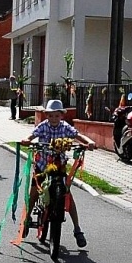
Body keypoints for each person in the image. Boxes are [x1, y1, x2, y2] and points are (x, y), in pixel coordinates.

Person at [20, 98, 97, 246]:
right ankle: (27, 219)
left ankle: (77, 229)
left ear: (62, 115)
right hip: (42, 166)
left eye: (57, 115)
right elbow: (32, 135)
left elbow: (77, 135)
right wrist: (27, 139)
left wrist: (89, 142)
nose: (54, 118)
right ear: (46, 115)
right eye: (51, 115)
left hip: (59, 166)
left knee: (67, 195)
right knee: (34, 192)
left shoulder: (65, 126)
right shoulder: (43, 126)